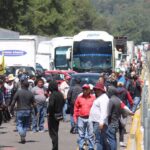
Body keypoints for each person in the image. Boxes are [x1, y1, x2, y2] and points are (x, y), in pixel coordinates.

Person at [74, 84, 95, 150]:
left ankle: (91, 148)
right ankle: (81, 147)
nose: (85, 90)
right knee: (81, 135)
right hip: (81, 118)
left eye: (86, 89)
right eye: (84, 89)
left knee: (91, 135)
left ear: (89, 90)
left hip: (90, 118)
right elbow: (76, 108)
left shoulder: (93, 98)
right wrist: (75, 118)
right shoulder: (79, 98)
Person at [89, 83, 110, 150]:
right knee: (100, 139)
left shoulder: (103, 98)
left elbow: (104, 112)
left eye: (98, 90)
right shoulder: (100, 97)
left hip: (98, 122)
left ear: (101, 90)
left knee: (98, 140)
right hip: (97, 121)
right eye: (95, 90)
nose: (96, 91)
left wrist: (101, 122)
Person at [47, 81, 64, 150]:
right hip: (59, 114)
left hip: (53, 115)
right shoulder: (60, 94)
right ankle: (55, 147)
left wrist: (49, 111)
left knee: (53, 133)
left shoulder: (53, 95)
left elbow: (51, 105)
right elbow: (63, 102)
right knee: (55, 131)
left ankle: (55, 148)